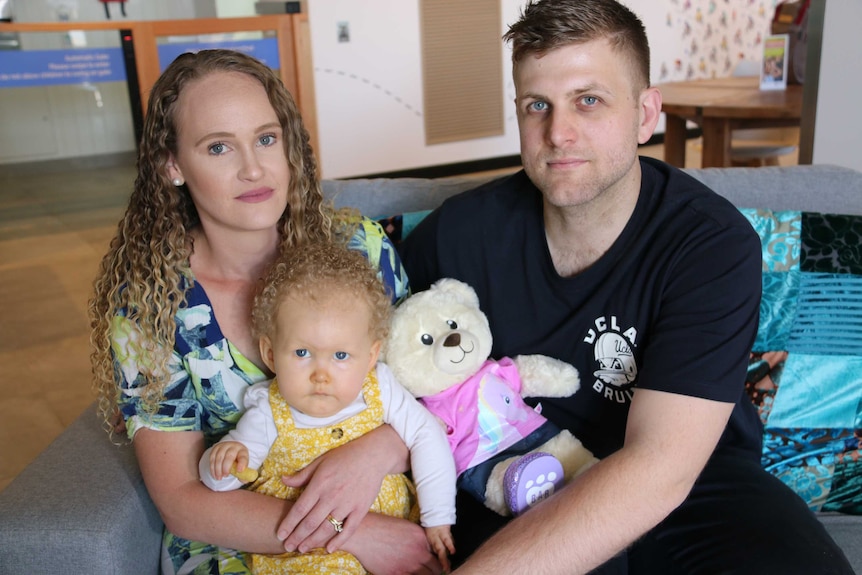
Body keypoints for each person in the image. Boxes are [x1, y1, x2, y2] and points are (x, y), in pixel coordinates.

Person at [399, 1, 855, 573]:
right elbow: (376, 371)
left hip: (690, 483)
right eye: (537, 105)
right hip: (514, 471)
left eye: (588, 101)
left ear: (645, 114)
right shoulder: (458, 235)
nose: (558, 133)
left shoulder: (711, 243)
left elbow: (659, 467)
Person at [89, 49, 442, 575]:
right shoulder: (150, 310)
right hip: (242, 543)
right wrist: (351, 533)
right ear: (173, 166)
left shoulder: (359, 250)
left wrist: (373, 456)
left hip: (386, 502)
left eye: (266, 138)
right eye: (218, 147)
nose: (253, 168)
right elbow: (184, 501)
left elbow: (429, 387)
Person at [199, 242, 457, 573]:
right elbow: (222, 481)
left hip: (401, 531)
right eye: (303, 353)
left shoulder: (381, 387)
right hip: (317, 554)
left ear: (371, 356)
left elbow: (427, 435)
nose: (321, 374)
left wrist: (438, 518)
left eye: (340, 356)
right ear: (270, 355)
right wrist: (220, 462)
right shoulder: (267, 412)